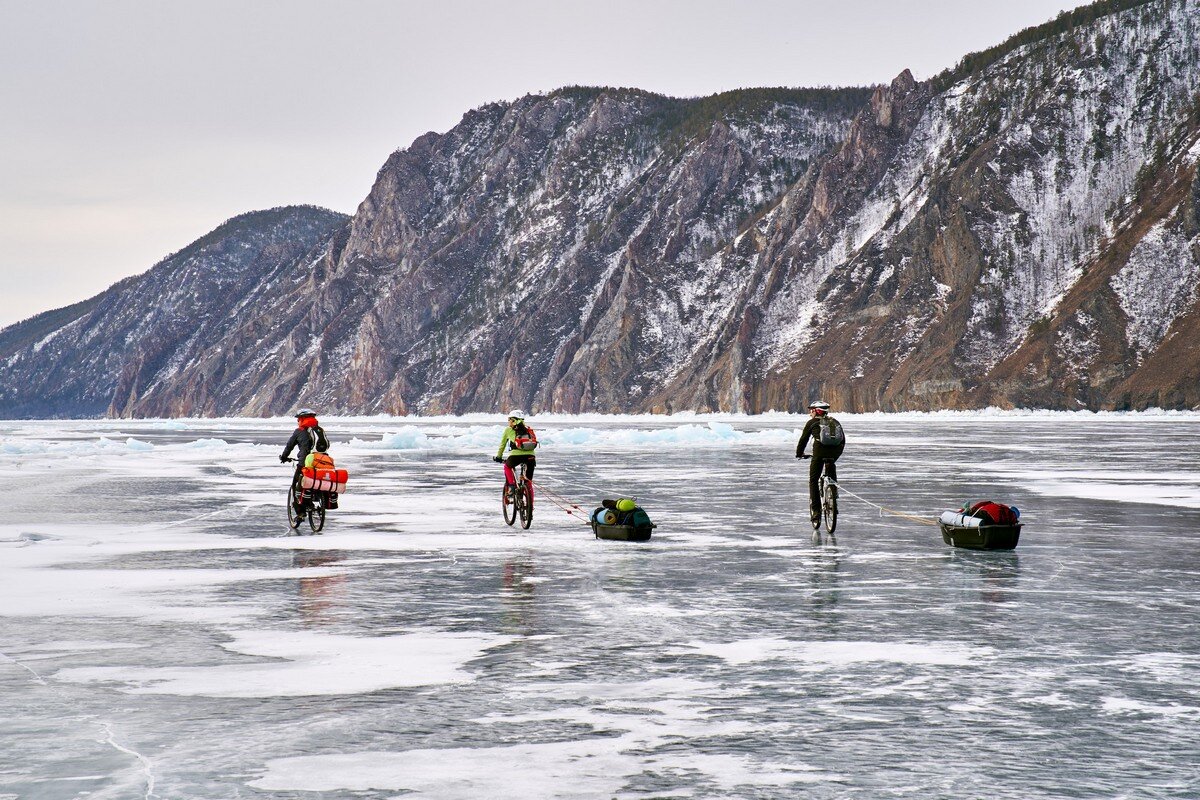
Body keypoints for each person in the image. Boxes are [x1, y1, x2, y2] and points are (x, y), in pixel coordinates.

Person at [795, 400, 845, 526]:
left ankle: (816, 513)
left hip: (818, 454)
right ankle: (834, 497)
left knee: (813, 480)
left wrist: (799, 453)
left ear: (817, 411)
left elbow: (803, 440)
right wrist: (836, 455)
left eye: (812, 410)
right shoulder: (835, 422)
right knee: (831, 469)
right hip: (834, 453)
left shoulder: (812, 423)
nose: (810, 412)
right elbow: (843, 440)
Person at [280, 408, 330, 507]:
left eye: (298, 419)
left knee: (297, 483)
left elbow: (289, 445)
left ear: (302, 419)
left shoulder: (299, 431)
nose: (298, 421)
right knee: (318, 478)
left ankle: (300, 512)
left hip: (306, 461)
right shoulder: (319, 430)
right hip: (322, 460)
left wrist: (284, 457)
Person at [493, 409, 537, 503]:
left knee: (507, 467)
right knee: (528, 483)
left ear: (513, 420)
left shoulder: (508, 430)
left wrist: (499, 457)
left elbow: (502, 445)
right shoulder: (528, 429)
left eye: (509, 419)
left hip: (515, 457)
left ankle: (512, 487)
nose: (508, 421)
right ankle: (530, 508)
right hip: (531, 457)